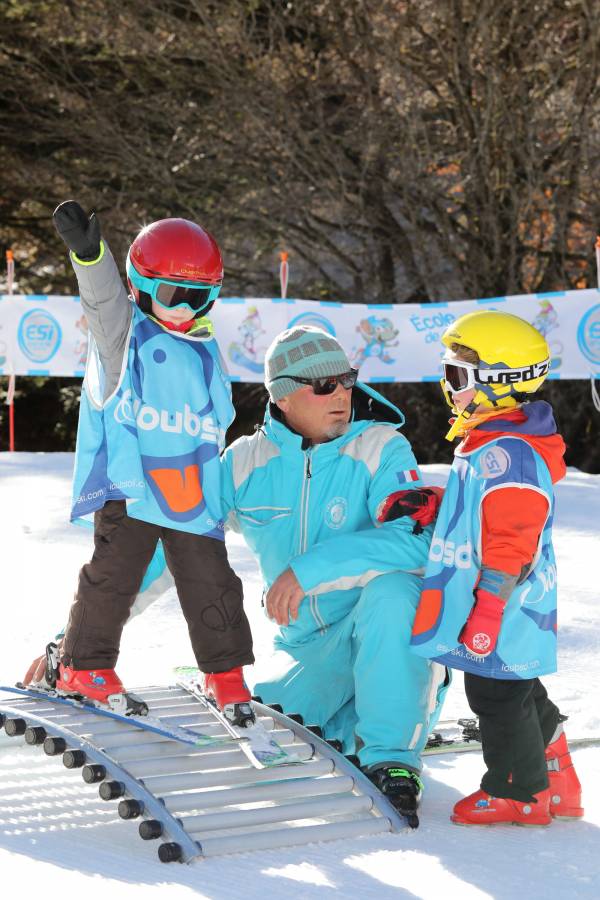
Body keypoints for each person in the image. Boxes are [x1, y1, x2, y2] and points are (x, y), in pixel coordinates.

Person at [41, 201, 254, 721]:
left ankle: (225, 671)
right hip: (133, 486)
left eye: (200, 297)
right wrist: (91, 258)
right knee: (115, 577)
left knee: (212, 579)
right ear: (140, 285)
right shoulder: (124, 335)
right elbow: (104, 303)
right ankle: (83, 664)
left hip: (190, 492)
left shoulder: (204, 348)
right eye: (173, 294)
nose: (184, 308)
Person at [410, 310, 583, 825]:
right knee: (518, 680)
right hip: (507, 599)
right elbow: (489, 512)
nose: (448, 387)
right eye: (447, 371)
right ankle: (557, 778)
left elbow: (511, 540)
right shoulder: (495, 441)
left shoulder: (509, 454)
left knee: (493, 690)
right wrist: (441, 506)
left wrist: (487, 609)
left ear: (501, 383)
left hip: (503, 599)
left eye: (458, 377)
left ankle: (518, 792)